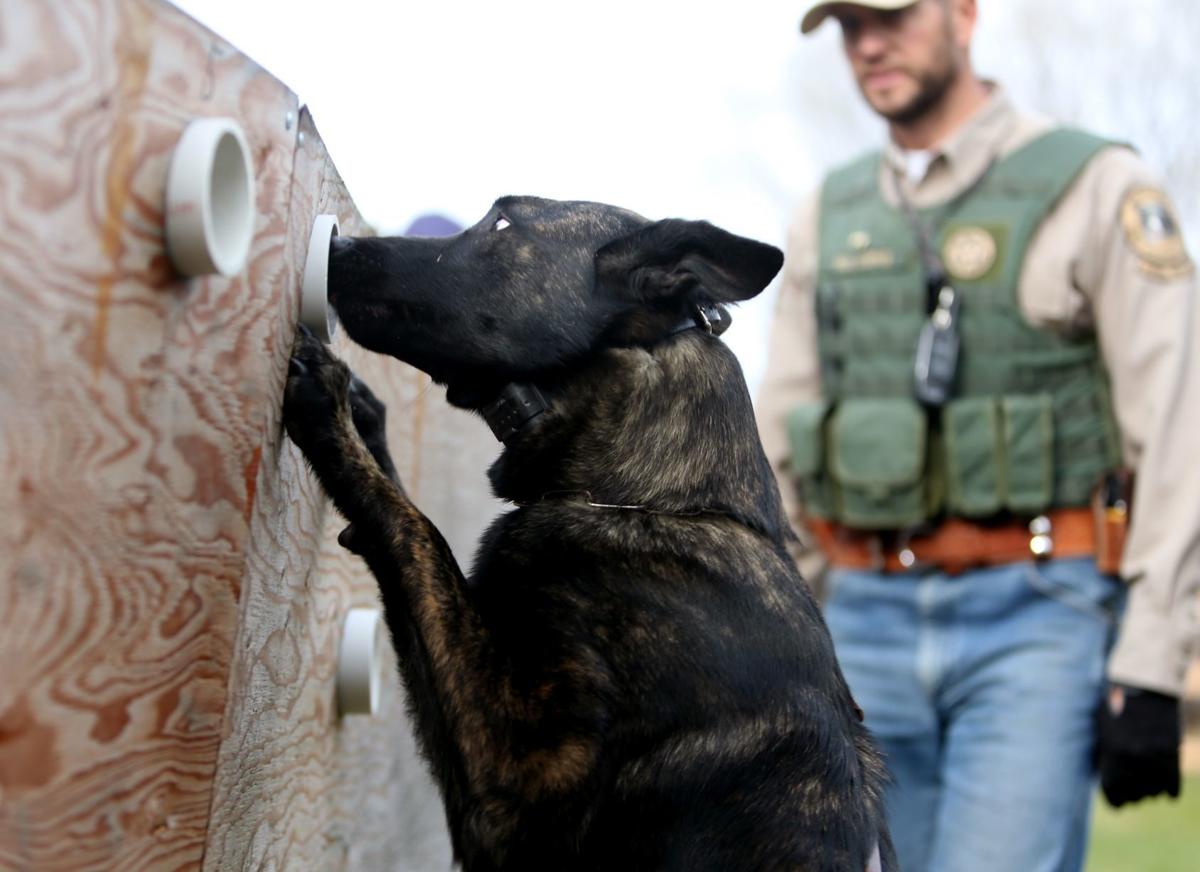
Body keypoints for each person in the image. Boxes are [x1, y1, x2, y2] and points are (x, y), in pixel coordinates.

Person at [756, 2, 1198, 870]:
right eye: (848, 26)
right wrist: (772, 641)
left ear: (963, 13)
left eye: (893, 16)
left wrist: (1152, 662)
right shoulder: (825, 217)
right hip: (861, 621)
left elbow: (1177, 429)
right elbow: (776, 453)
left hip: (1039, 616)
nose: (870, 44)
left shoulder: (1097, 185)